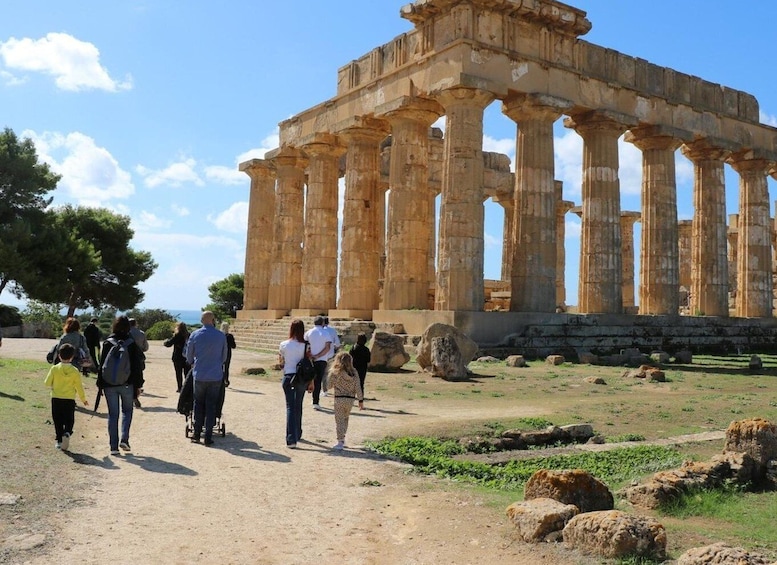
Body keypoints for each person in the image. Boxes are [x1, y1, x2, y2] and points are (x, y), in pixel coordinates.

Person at [97, 315, 145, 455]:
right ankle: (124, 439)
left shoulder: (107, 343)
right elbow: (136, 367)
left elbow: (102, 366)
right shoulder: (131, 344)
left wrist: (100, 384)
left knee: (113, 414)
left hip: (109, 384)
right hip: (127, 384)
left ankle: (113, 447)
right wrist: (138, 385)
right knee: (127, 411)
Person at [185, 311, 227, 447]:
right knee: (211, 405)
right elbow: (224, 357)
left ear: (201, 320)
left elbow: (189, 356)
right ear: (213, 320)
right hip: (215, 375)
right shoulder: (221, 336)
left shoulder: (195, 335)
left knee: (198, 403)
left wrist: (193, 362)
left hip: (200, 374)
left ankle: (197, 433)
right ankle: (208, 436)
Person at [44, 343, 89, 450]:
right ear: (72, 357)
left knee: (57, 420)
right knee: (69, 419)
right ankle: (68, 432)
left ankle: (59, 440)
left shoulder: (54, 369)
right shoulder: (75, 371)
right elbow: (79, 387)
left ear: (59, 355)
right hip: (69, 399)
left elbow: (46, 383)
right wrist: (83, 399)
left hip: (56, 398)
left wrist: (53, 384)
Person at [279, 318, 310, 448]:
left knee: (290, 407)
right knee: (298, 406)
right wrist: (311, 382)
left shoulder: (284, 344)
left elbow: (281, 363)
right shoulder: (306, 345)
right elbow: (309, 365)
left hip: (288, 376)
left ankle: (291, 438)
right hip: (302, 378)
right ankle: (297, 432)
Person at [323, 351, 364, 450]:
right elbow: (358, 387)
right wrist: (360, 400)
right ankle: (343, 437)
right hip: (350, 400)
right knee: (345, 418)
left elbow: (329, 386)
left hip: (339, 398)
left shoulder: (335, 372)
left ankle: (340, 440)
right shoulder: (354, 373)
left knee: (339, 420)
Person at [304, 316, 332, 411]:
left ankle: (309, 397)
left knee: (309, 378)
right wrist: (318, 356)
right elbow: (327, 347)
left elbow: (305, 345)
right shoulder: (325, 333)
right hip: (321, 360)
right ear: (323, 323)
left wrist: (311, 355)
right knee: (318, 380)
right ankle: (315, 401)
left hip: (310, 359)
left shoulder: (309, 332)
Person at [163, 322, 190, 392]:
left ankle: (180, 387)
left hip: (177, 357)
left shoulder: (177, 335)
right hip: (187, 357)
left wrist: (165, 341)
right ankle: (187, 387)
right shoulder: (189, 335)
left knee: (178, 373)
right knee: (187, 373)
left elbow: (169, 343)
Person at [128, 318, 149, 408]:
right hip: (138, 358)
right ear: (135, 324)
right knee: (138, 376)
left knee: (128, 376)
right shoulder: (141, 333)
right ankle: (135, 394)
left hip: (127, 357)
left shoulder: (126, 333)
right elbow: (145, 347)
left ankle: (129, 395)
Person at [350, 332, 371, 397]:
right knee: (361, 382)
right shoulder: (366, 350)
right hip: (363, 368)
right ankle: (361, 396)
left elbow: (350, 357)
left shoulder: (353, 348)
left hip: (354, 367)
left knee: (352, 382)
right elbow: (368, 360)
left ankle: (351, 395)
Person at [221, 321, 237, 387]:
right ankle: (226, 380)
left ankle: (220, 380)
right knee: (226, 367)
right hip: (227, 353)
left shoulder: (219, 335)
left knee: (220, 367)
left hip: (220, 352)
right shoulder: (230, 336)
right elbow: (234, 346)